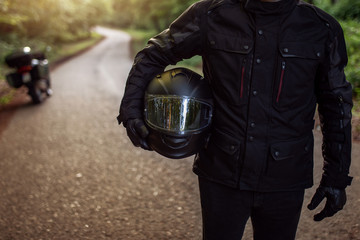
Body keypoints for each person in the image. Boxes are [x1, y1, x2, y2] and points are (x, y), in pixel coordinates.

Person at [117, 0, 353, 239]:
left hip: (285, 177)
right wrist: (131, 110)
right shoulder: (209, 15)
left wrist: (336, 175)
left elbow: (336, 102)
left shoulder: (321, 27)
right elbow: (154, 53)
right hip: (221, 171)